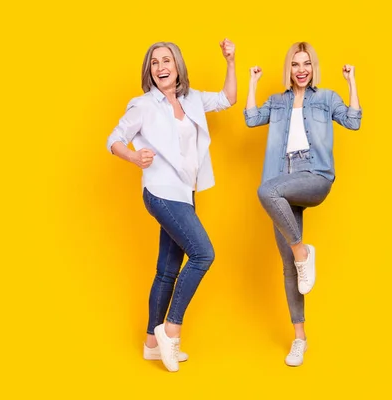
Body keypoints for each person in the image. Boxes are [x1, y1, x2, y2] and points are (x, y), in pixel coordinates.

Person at [106, 39, 236, 372]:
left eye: (167, 61)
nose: (161, 67)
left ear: (178, 66)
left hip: (185, 193)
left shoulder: (191, 100)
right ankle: (171, 328)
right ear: (149, 71)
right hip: (160, 191)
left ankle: (152, 342)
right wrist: (134, 156)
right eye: (154, 63)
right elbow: (114, 139)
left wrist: (230, 61)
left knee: (167, 270)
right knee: (203, 254)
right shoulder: (143, 105)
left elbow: (227, 99)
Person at [244, 41, 362, 366]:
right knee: (288, 268)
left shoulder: (325, 99)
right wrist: (253, 83)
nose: (301, 70)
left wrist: (351, 82)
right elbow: (252, 119)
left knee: (266, 192)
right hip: (284, 179)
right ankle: (300, 339)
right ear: (289, 69)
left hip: (314, 175)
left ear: (313, 68)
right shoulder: (278, 103)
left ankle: (303, 252)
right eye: (295, 64)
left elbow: (353, 121)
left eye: (306, 64)